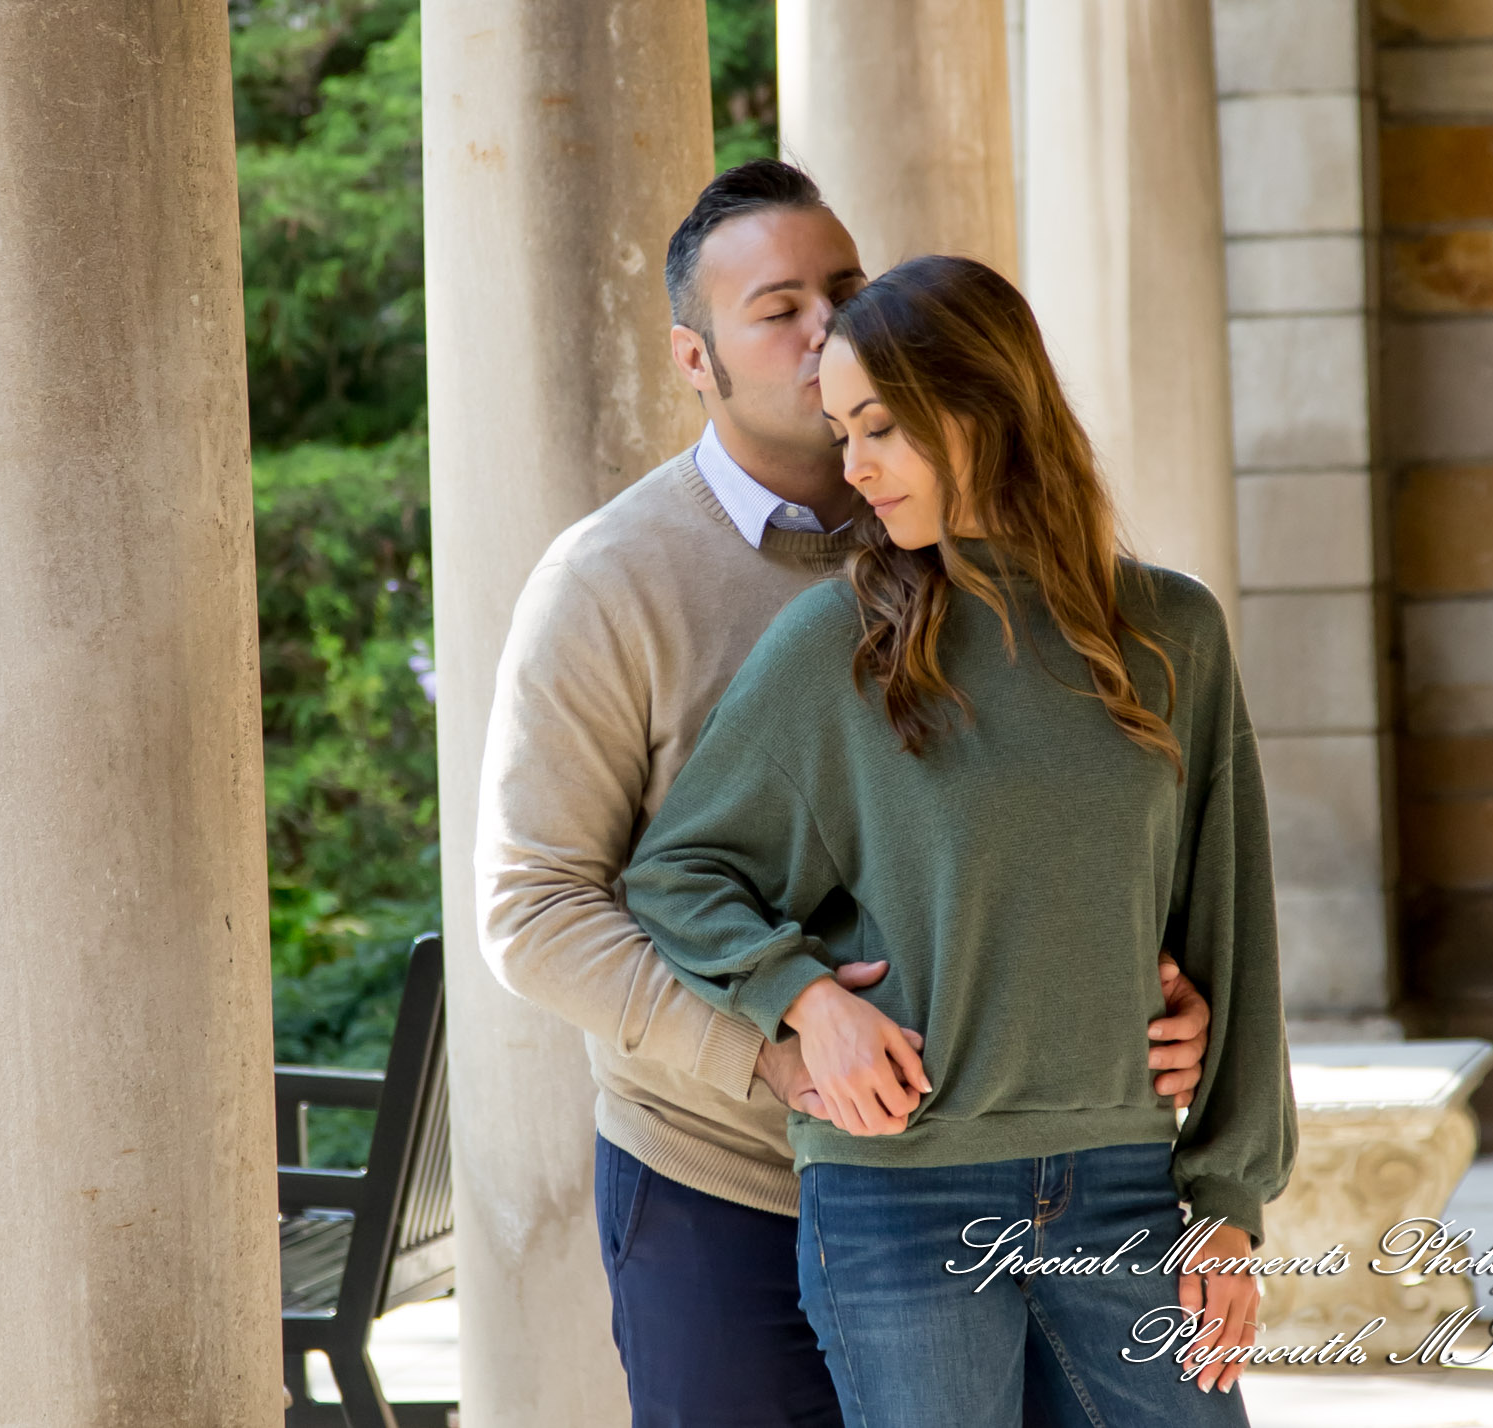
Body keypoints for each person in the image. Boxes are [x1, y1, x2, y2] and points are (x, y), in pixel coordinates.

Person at [475, 161, 1219, 1428]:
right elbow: (536, 912)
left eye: (846, 288)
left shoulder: (987, 559)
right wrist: (776, 1043)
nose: (827, 327)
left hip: (991, 1173)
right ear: (695, 359)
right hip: (719, 1179)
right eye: (779, 308)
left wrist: (1133, 987)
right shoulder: (608, 582)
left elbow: (1069, 821)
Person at [618, 253, 1298, 1426]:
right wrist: (804, 999)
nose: (855, 467)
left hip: (1127, 1190)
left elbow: (1233, 927)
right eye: (841, 433)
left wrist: (1231, 1199)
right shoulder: (840, 649)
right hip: (899, 1210)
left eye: (879, 427)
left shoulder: (1171, 633)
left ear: (983, 403)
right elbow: (678, 873)